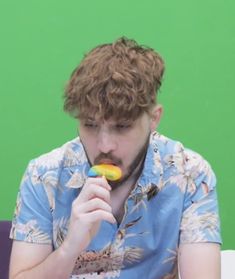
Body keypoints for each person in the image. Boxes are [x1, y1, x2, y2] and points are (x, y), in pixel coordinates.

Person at [9, 37, 221, 279]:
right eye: (90, 125)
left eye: (122, 126)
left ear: (154, 119)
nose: (104, 145)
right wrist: (69, 249)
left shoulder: (190, 175)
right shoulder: (43, 176)